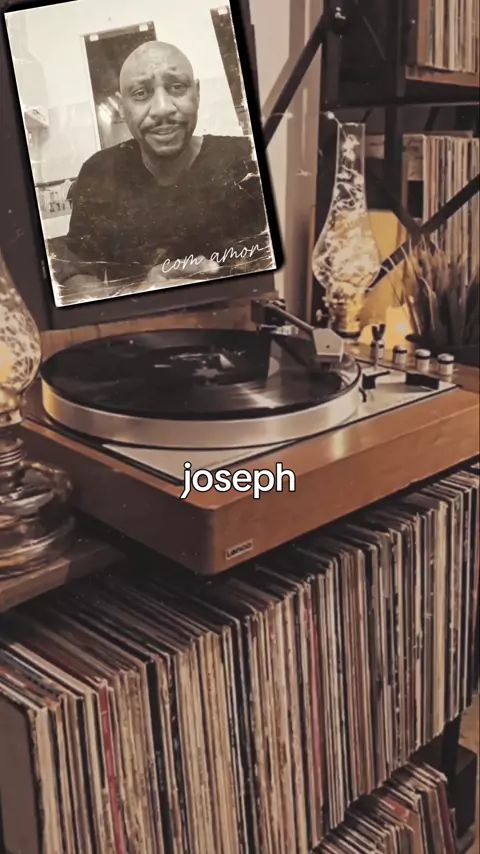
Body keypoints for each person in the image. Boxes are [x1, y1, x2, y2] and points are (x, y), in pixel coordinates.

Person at [48, 40, 273, 304]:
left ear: (197, 93)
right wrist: (139, 294)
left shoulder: (247, 159)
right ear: (122, 107)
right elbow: (75, 272)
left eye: (177, 87)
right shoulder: (99, 173)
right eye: (141, 93)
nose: (163, 108)